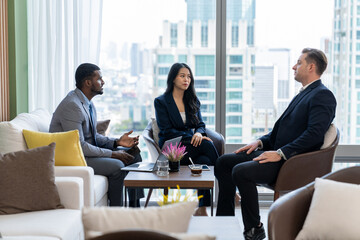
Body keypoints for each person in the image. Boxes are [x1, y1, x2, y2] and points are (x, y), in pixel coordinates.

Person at [215, 48, 337, 240]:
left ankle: (254, 230)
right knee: (223, 162)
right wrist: (260, 142)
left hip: (291, 163)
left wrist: (281, 153)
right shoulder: (304, 93)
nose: (294, 66)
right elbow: (281, 131)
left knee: (240, 171)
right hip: (276, 155)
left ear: (311, 66)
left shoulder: (323, 95)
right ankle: (223, 222)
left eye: (299, 62)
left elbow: (314, 135)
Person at [50, 63, 144, 207]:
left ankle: (134, 209)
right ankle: (114, 215)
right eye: (99, 79)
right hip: (74, 157)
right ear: (88, 83)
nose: (103, 82)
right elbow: (79, 146)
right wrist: (113, 154)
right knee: (118, 166)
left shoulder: (88, 103)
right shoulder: (72, 106)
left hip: (85, 152)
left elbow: (93, 136)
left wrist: (117, 143)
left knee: (134, 154)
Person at [154, 63, 219, 216]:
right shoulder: (161, 101)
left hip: (191, 147)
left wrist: (198, 133)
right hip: (173, 149)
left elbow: (201, 125)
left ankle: (202, 208)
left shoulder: (193, 100)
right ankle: (228, 186)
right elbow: (167, 131)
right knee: (206, 146)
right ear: (173, 79)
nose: (186, 79)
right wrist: (194, 137)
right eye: (182, 76)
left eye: (189, 76)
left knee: (204, 160)